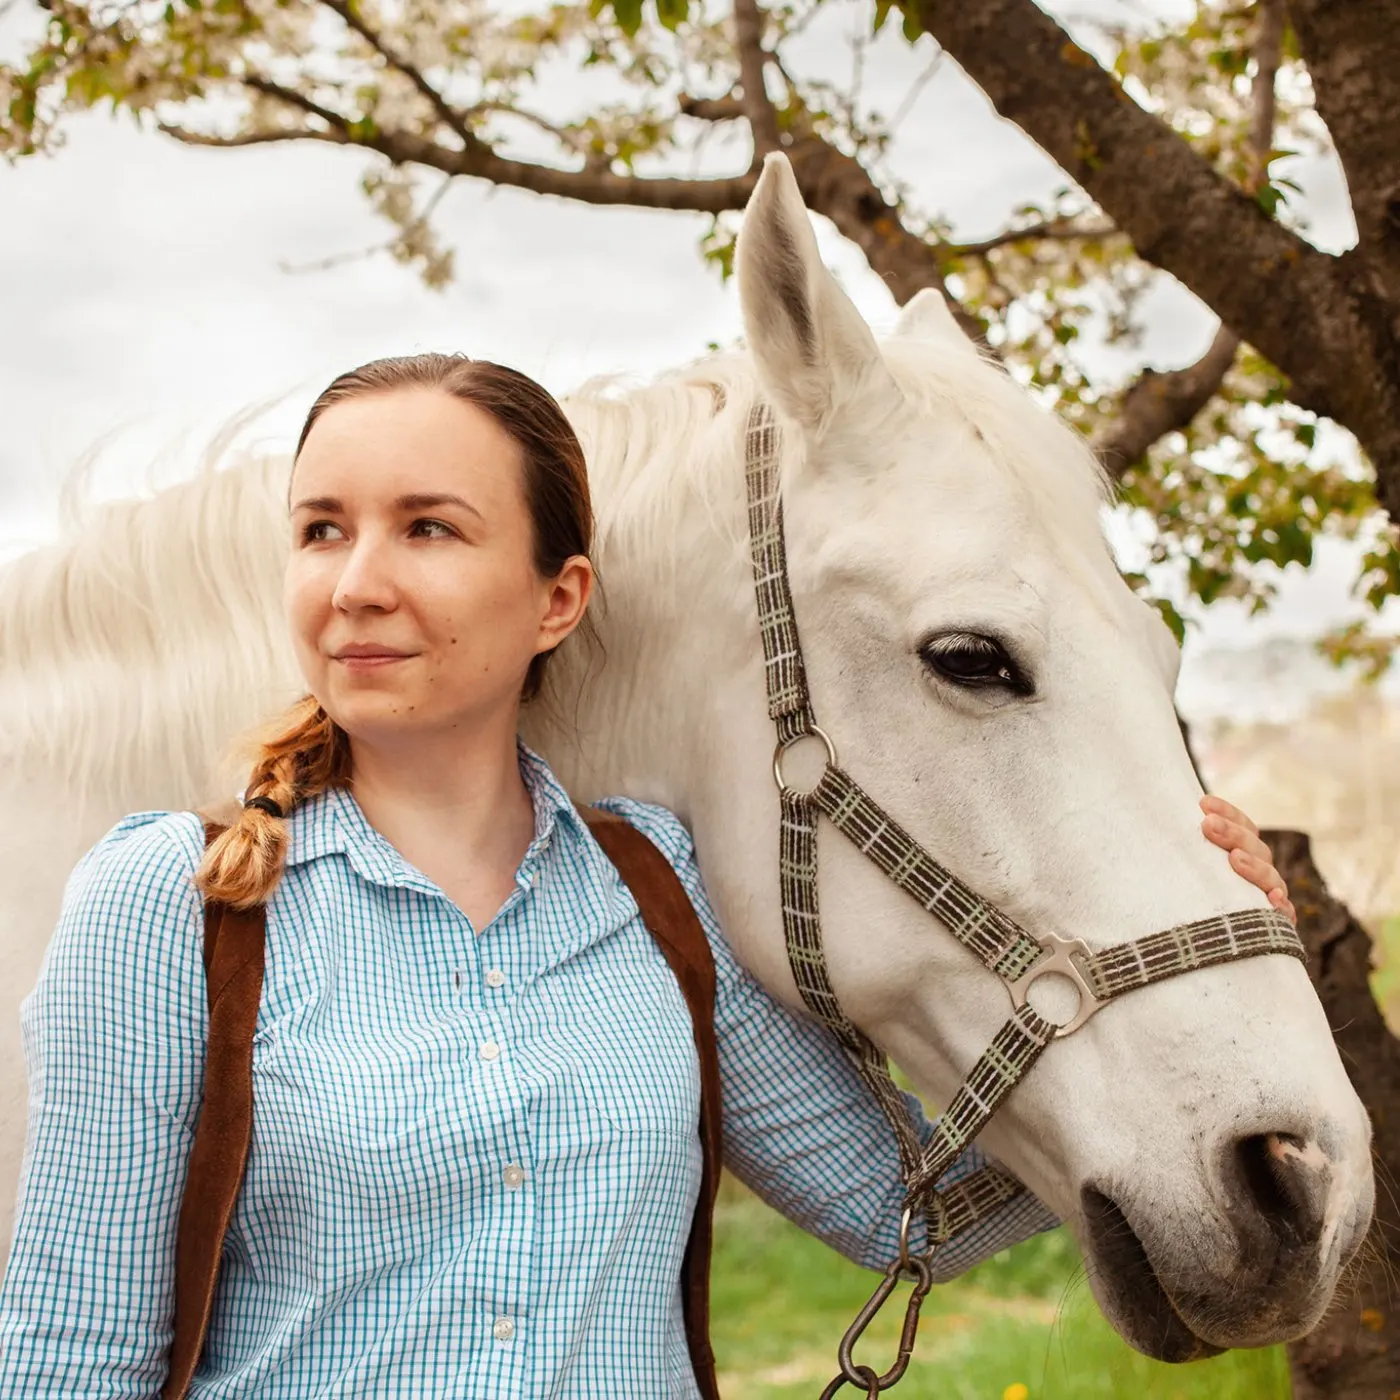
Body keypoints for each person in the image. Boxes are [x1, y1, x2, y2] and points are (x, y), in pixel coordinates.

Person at [0, 354, 1294, 1396]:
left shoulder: (655, 891)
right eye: (321, 530)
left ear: (557, 599)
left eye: (428, 530)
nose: (356, 584)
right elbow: (72, 1363)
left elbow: (919, 1219)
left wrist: (1203, 973)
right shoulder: (174, 906)